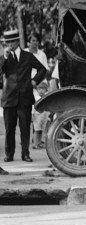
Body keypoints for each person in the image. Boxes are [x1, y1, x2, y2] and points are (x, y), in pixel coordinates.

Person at [0, 29, 47, 162]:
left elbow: (43, 69)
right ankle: (9, 154)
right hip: (9, 98)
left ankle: (25, 154)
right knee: (9, 128)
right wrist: (4, 57)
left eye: (10, 42)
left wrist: (34, 81)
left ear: (16, 42)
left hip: (25, 98)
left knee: (25, 127)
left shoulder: (27, 56)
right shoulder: (5, 57)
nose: (8, 45)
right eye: (6, 43)